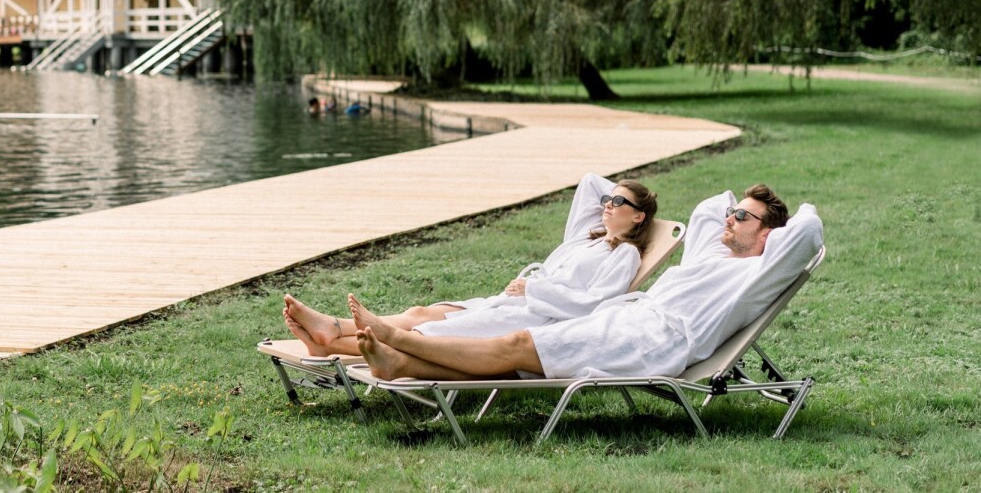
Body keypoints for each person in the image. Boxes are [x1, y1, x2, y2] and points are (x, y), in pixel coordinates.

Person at [353, 184, 823, 382]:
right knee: (522, 357)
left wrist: (793, 214)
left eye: (742, 217)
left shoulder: (756, 274)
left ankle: (402, 340)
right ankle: (400, 362)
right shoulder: (714, 253)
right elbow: (706, 210)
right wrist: (740, 205)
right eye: (733, 212)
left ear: (768, 235)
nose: (730, 218)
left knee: (519, 343)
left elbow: (806, 235)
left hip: (655, 341)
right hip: (629, 320)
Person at [284, 174, 658, 357]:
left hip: (535, 319)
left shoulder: (624, 255)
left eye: (618, 203)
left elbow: (594, 306)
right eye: (608, 199)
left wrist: (534, 289)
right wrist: (623, 196)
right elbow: (590, 183)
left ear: (638, 217)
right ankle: (333, 331)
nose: (607, 204)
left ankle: (332, 341)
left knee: (425, 336)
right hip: (510, 303)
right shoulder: (587, 237)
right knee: (420, 312)